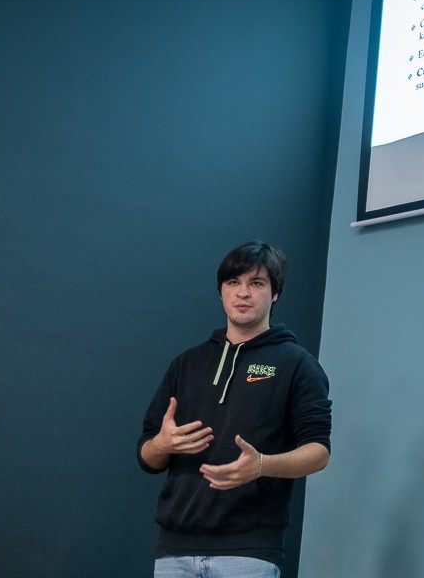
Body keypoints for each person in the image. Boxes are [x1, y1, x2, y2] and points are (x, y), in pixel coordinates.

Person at [138, 241, 332, 577]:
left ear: (275, 293)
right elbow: (147, 457)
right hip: (174, 551)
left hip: (248, 553)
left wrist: (261, 465)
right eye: (233, 282)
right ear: (221, 292)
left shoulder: (298, 365)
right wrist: (162, 444)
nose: (243, 293)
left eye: (256, 283)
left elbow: (319, 452)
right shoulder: (186, 364)